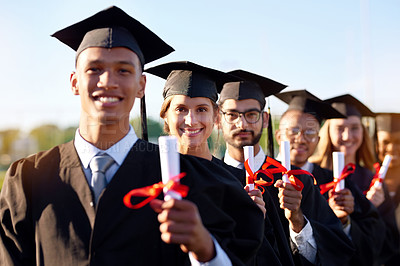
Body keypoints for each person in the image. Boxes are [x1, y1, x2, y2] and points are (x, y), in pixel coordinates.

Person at [0, 7, 264, 266]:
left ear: (141, 85)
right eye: (94, 69)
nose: (108, 81)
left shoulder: (189, 178)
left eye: (123, 70)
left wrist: (206, 250)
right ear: (74, 82)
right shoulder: (28, 179)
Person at [146, 61, 285, 266]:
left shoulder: (239, 184)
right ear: (165, 116)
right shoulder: (146, 175)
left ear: (216, 117)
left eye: (202, 109)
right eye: (181, 109)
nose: (191, 120)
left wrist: (253, 224)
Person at [219, 72, 355, 266]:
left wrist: (297, 221)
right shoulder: (211, 178)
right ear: (218, 119)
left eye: (251, 114)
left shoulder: (297, 181)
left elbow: (334, 254)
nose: (242, 124)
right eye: (232, 115)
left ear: (265, 120)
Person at [275, 89, 386, 265]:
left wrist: (344, 221)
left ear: (318, 139)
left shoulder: (336, 182)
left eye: (310, 133)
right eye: (294, 130)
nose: (301, 139)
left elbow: (371, 242)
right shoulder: (263, 178)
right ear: (279, 136)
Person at [312, 94, 400, 264]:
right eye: (340, 128)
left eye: (354, 128)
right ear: (327, 131)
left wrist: (373, 210)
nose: (347, 136)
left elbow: (388, 244)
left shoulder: (372, 180)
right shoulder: (312, 175)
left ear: (363, 131)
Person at [375, 112, 400, 265]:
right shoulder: (363, 181)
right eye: (385, 142)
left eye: (399, 141)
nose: (392, 148)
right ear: (375, 144)